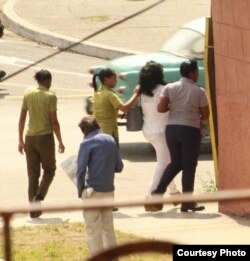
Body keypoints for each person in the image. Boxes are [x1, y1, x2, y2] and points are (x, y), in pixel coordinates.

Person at [145, 59, 209, 213]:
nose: (197, 74)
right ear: (192, 73)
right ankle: (187, 203)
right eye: (196, 72)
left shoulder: (170, 87)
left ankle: (157, 192)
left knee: (175, 163)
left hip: (172, 129)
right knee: (189, 166)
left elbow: (161, 108)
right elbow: (205, 114)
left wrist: (174, 106)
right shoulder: (199, 91)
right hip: (190, 130)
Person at [18, 69, 65, 218]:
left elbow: (22, 119)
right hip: (45, 137)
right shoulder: (51, 96)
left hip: (29, 138)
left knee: (32, 175)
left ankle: (34, 210)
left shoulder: (28, 94)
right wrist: (60, 141)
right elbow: (54, 122)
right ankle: (39, 196)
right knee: (49, 170)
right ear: (48, 81)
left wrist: (20, 140)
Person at [76, 116, 123, 258]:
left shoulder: (87, 142)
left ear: (84, 130)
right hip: (109, 190)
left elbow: (80, 170)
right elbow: (119, 167)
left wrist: (80, 191)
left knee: (92, 228)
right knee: (108, 227)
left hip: (93, 191)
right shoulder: (110, 139)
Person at [138, 61, 180, 196]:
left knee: (167, 162)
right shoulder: (163, 89)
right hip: (161, 132)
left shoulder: (142, 92)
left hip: (148, 131)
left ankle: (173, 191)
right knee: (164, 164)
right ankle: (151, 195)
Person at [92, 68, 139, 147]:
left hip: (98, 131)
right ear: (106, 79)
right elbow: (124, 108)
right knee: (112, 157)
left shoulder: (97, 93)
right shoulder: (110, 94)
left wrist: (121, 116)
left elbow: (105, 113)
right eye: (114, 79)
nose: (116, 81)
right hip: (109, 133)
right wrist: (136, 93)